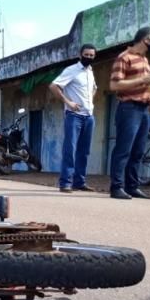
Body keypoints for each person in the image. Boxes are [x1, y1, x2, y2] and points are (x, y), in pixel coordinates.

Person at [109, 26, 150, 200]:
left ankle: (132, 186)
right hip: (128, 108)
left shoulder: (144, 60)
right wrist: (143, 79)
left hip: (144, 109)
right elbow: (114, 85)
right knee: (124, 149)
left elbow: (143, 83)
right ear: (144, 39)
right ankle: (116, 187)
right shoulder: (124, 57)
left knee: (138, 151)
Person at [49, 44, 98, 193]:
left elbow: (94, 88)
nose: (88, 57)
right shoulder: (72, 70)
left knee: (84, 151)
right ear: (80, 54)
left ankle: (79, 182)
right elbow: (53, 86)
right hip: (74, 116)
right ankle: (65, 183)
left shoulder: (90, 71)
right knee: (70, 150)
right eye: (86, 54)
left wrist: (89, 103)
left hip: (89, 117)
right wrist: (68, 102)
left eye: (91, 55)